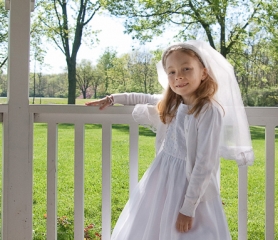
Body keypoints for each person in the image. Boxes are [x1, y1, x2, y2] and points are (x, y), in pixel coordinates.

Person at [85, 40, 254, 240]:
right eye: (171, 72)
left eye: (186, 68)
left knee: (184, 232)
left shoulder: (208, 111)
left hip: (189, 187)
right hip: (162, 179)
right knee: (152, 227)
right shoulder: (174, 103)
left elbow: (204, 164)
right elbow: (141, 97)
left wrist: (188, 208)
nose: (178, 76)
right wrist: (112, 98)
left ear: (203, 73)